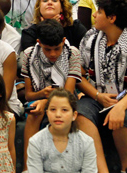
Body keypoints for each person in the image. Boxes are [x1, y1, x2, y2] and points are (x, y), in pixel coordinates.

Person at [77, 0, 127, 173]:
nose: (94, 14)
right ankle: (101, 170)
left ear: (111, 18)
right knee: (81, 113)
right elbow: (78, 74)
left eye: (98, 11)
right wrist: (98, 96)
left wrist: (120, 106)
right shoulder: (91, 38)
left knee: (122, 120)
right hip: (96, 95)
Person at [19, 19, 81, 171]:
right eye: (47, 49)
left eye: (57, 49)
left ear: (64, 41)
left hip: (67, 100)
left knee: (58, 111)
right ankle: (29, 167)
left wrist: (47, 102)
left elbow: (68, 93)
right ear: (39, 43)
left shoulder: (72, 53)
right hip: (38, 100)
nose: (53, 54)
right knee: (34, 112)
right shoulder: (28, 55)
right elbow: (28, 95)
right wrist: (42, 95)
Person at [27, 88, 96, 173]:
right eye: (53, 109)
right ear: (47, 113)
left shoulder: (86, 142)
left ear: (74, 115)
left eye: (64, 110)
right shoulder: (35, 142)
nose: (58, 115)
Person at [21, 0, 86, 50]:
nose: (49, 3)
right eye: (45, 0)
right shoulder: (29, 34)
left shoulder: (75, 28)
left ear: (61, 8)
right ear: (39, 8)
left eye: (54, 0)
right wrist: (47, 28)